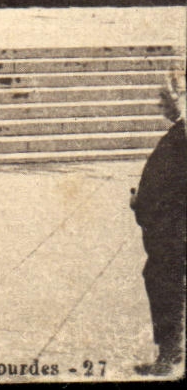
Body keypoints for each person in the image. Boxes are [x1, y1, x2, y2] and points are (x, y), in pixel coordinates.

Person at [130, 74, 186, 377]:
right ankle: (170, 350)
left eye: (163, 98)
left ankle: (169, 354)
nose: (159, 104)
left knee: (164, 282)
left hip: (173, 230)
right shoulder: (179, 134)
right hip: (168, 227)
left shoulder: (183, 137)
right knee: (162, 281)